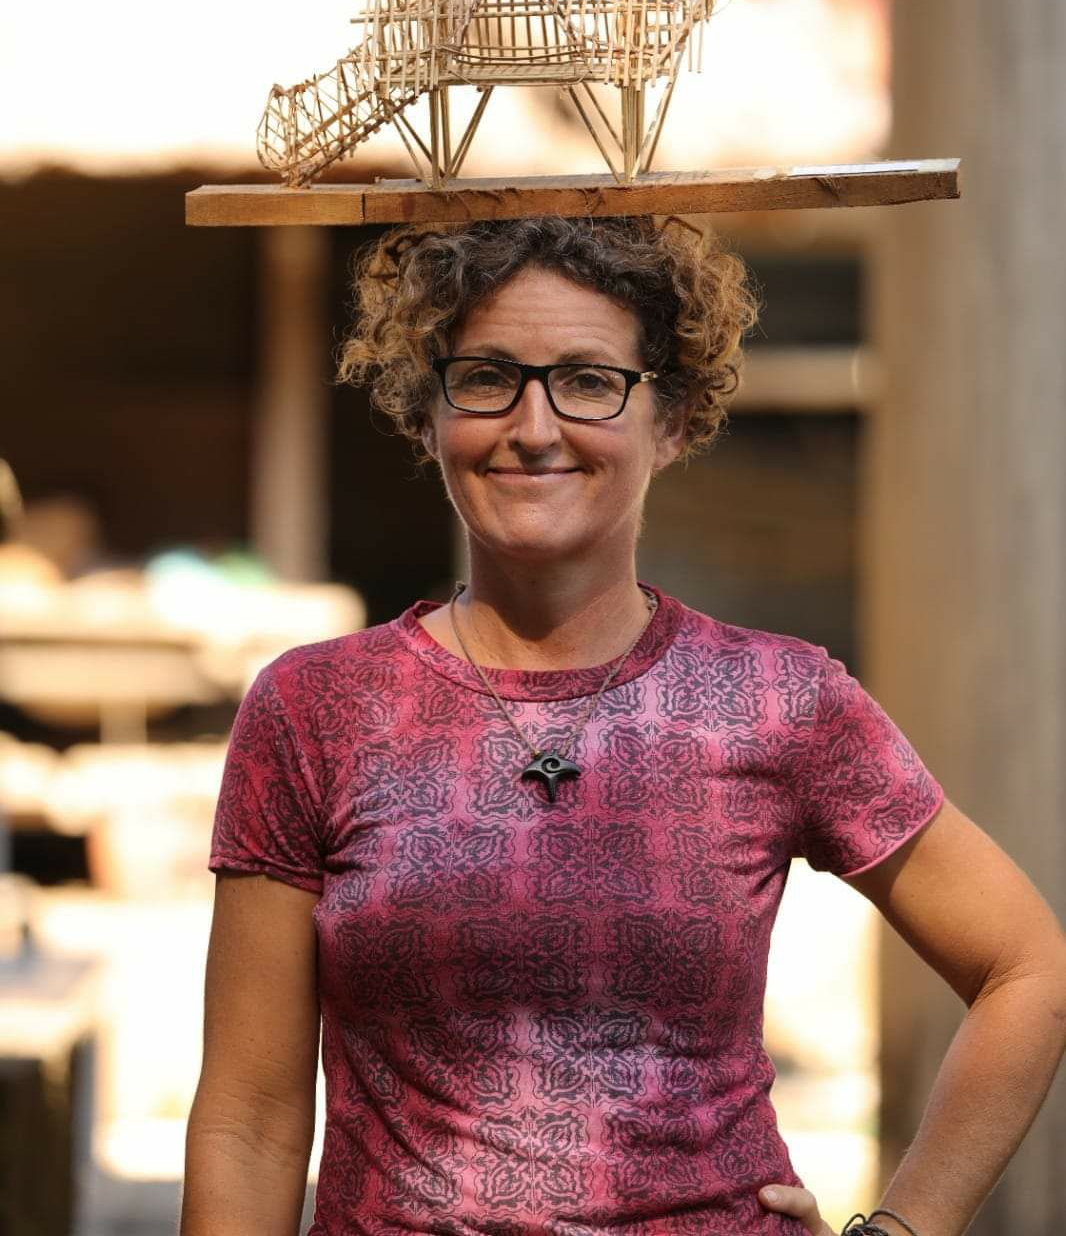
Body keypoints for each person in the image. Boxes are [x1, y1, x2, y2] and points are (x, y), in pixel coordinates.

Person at [182, 215, 1066, 1236]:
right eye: (486, 377)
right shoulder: (317, 710)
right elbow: (248, 1121)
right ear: (427, 413)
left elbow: (1028, 969)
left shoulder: (777, 699)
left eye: (589, 381)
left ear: (672, 420)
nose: (534, 426)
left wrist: (905, 1228)